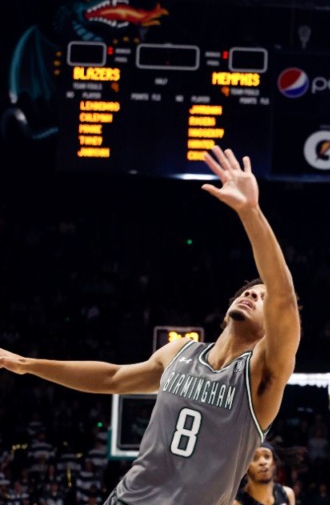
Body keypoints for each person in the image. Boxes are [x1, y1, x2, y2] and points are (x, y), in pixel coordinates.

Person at [0, 145, 301, 505]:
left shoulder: (261, 376)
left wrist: (250, 213)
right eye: (250, 291)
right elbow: (112, 378)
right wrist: (24, 364)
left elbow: (284, 300)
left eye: (262, 298)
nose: (254, 296)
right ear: (226, 310)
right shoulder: (179, 352)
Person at [234, 441, 296, 505]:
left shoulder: (287, 493)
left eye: (267, 456)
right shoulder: (236, 503)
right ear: (245, 467)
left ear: (274, 463)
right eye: (255, 458)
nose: (262, 462)